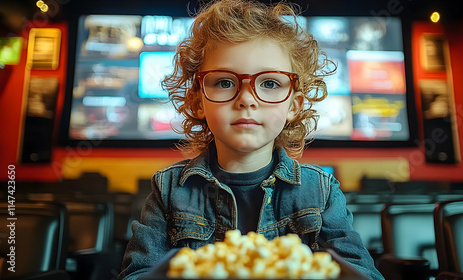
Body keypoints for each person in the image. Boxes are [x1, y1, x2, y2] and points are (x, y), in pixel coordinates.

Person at [118, 0, 384, 279]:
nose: (246, 99)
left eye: (269, 83)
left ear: (294, 105)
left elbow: (361, 274)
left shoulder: (321, 191)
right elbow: (137, 274)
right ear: (198, 100)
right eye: (224, 82)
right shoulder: (168, 190)